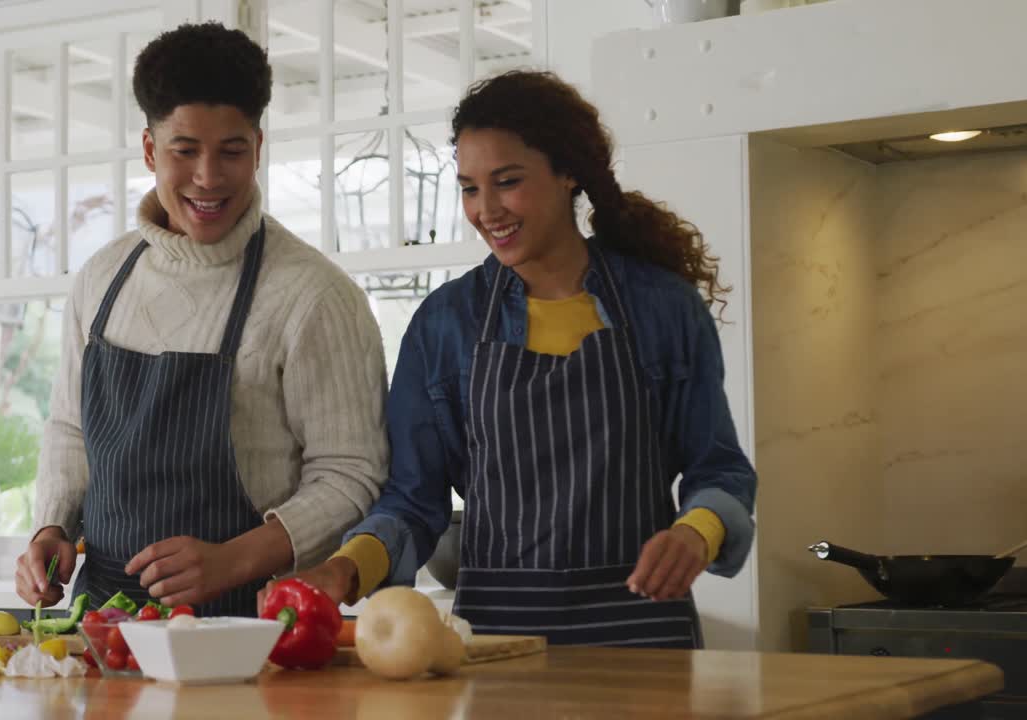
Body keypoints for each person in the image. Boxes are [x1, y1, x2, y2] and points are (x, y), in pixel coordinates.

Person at [268, 71, 757, 648]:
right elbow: (413, 499)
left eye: (507, 182)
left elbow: (717, 466)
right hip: (497, 645)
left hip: (643, 634)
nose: (486, 209)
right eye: (470, 188)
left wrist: (696, 533)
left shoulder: (662, 309)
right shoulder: (445, 325)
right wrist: (344, 568)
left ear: (568, 171)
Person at [15, 23, 389, 616]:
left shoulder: (313, 295)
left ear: (259, 148)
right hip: (103, 628)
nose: (209, 178)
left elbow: (352, 474)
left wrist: (232, 561)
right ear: (148, 150)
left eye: (232, 151)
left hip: (254, 630)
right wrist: (50, 531)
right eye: (184, 150)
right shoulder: (100, 279)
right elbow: (70, 429)